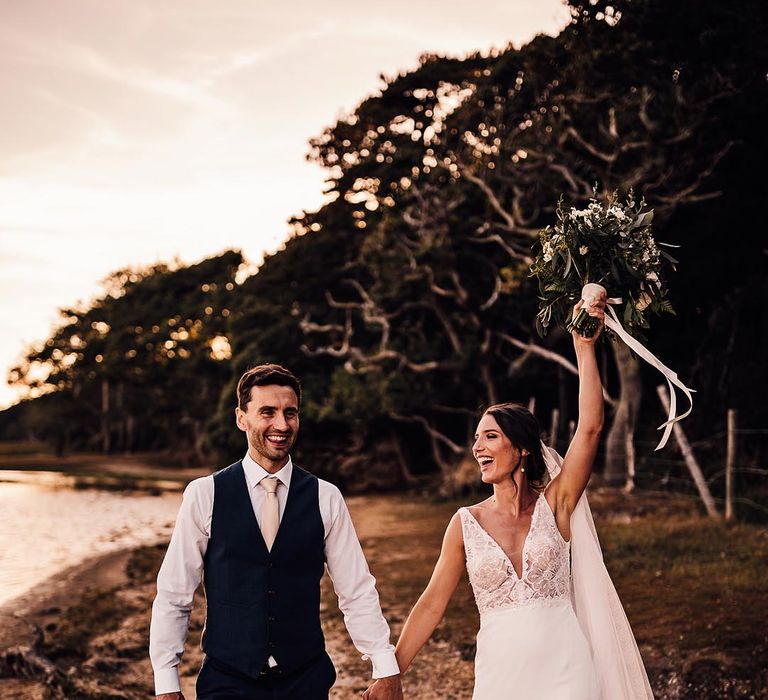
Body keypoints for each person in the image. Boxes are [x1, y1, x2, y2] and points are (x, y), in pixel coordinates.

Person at [365, 294, 654, 699]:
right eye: (475, 439)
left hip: (566, 669)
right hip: (501, 672)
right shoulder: (465, 523)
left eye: (490, 437)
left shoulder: (557, 505)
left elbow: (590, 428)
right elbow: (432, 602)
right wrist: (392, 672)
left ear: (521, 449)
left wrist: (584, 347)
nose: (477, 448)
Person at [150, 363, 403, 700]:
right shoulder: (205, 493)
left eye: (290, 413)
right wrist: (166, 682)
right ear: (241, 418)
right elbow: (174, 594)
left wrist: (384, 668)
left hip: (305, 680)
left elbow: (356, 591)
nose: (281, 425)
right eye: (267, 412)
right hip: (227, 681)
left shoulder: (325, 496)